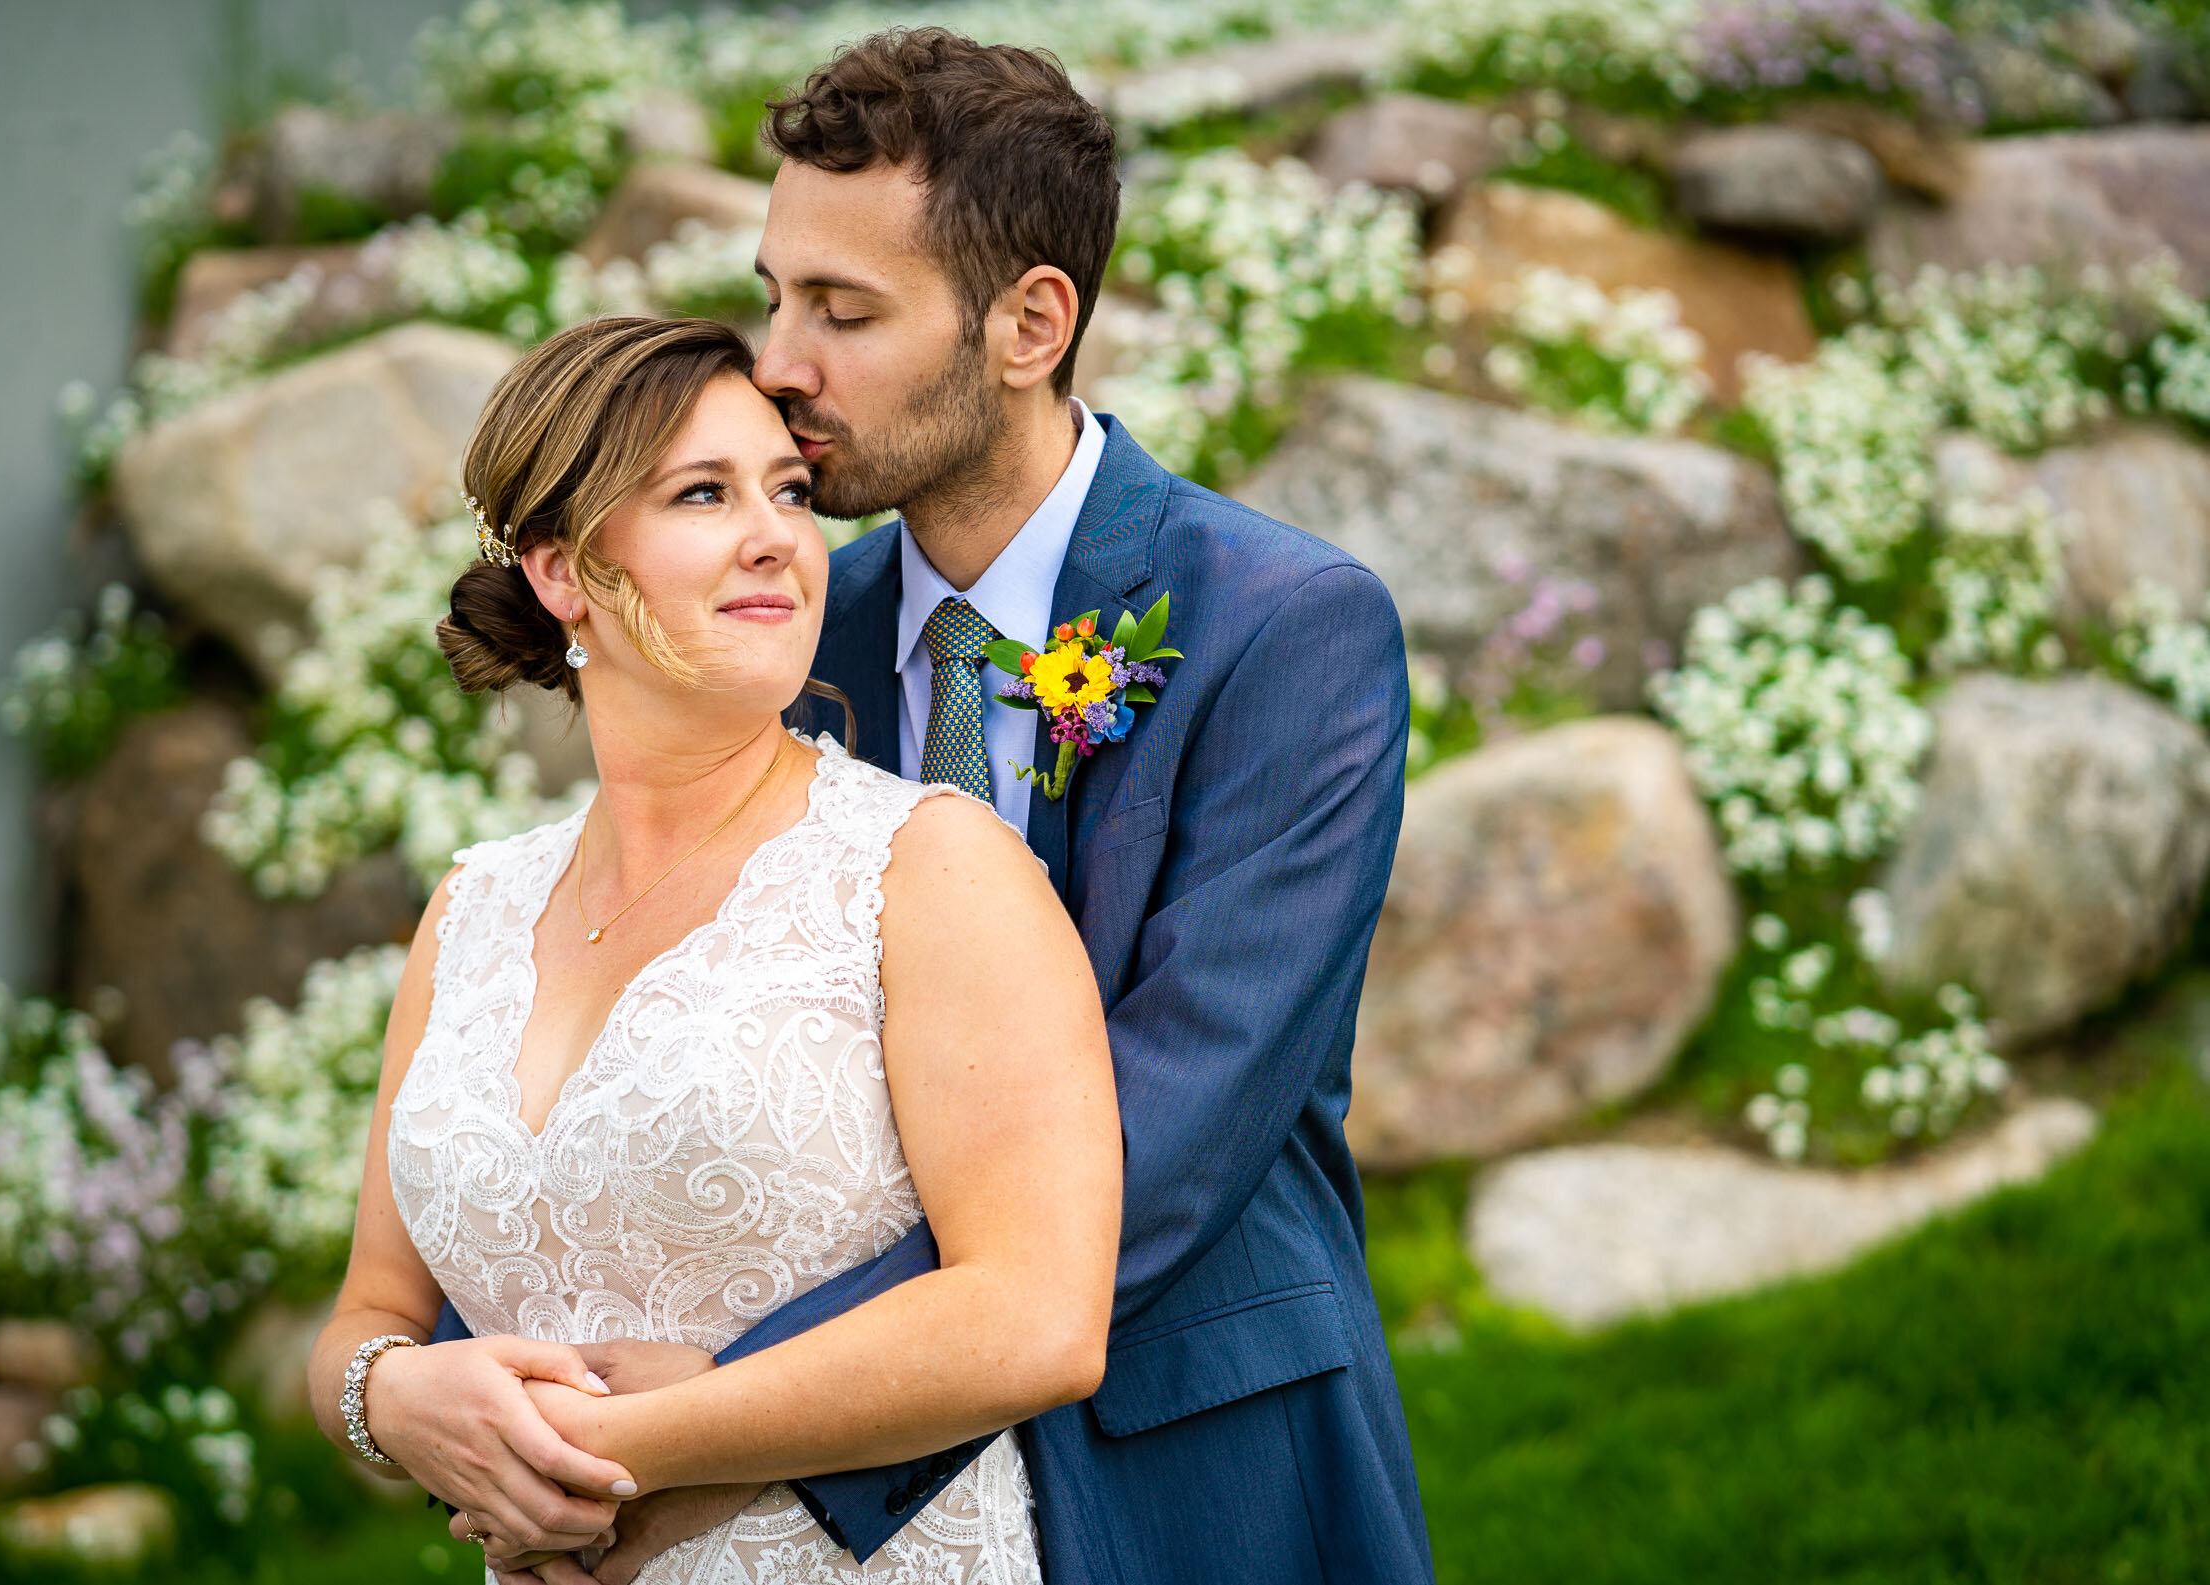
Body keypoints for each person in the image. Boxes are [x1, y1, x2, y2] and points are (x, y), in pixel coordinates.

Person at [415, 25, 1432, 1585]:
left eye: (843, 310)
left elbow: (1174, 1124)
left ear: (1029, 324)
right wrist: (457, 1396)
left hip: (1190, 1453)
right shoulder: (779, 629)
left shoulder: (1283, 628)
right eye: (773, 294)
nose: (777, 366)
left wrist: (740, 1414)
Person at [306, 312, 1123, 1585]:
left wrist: (618, 1449)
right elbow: (370, 1312)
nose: (777, 538)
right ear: (561, 571)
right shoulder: (471, 908)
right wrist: (391, 1399)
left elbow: (1038, 1317)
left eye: (789, 492)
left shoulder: (928, 867)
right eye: (702, 493)